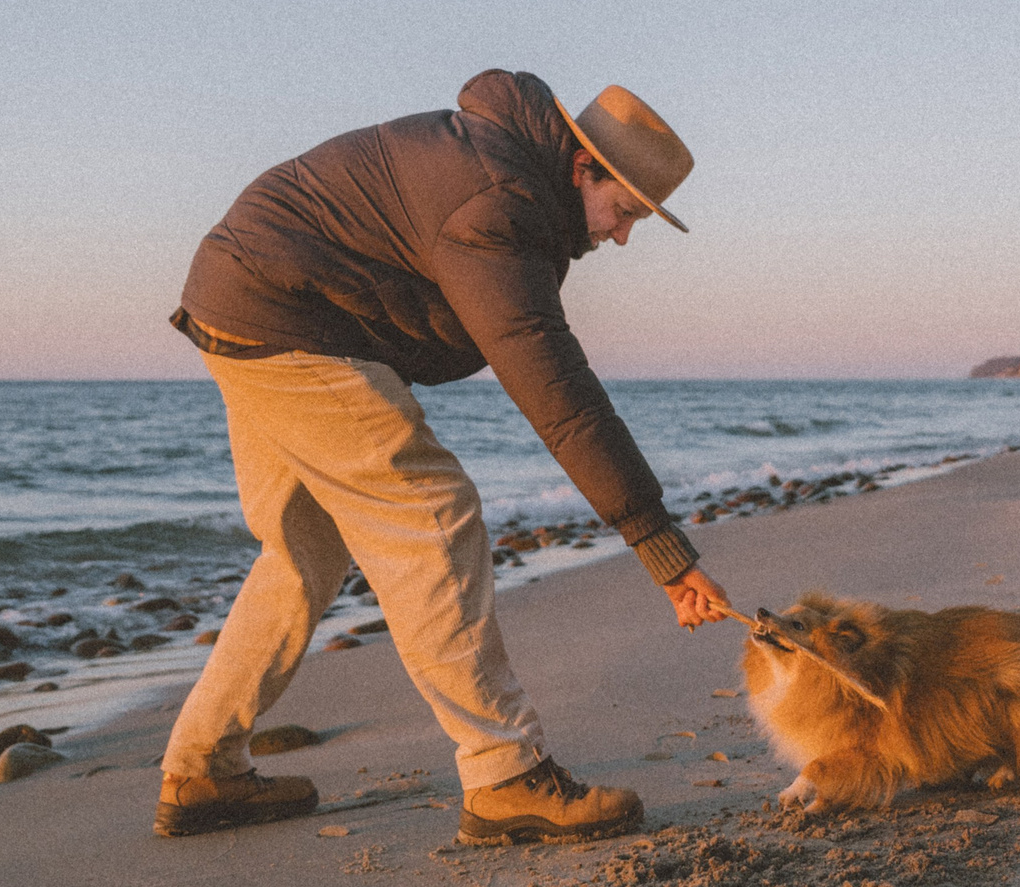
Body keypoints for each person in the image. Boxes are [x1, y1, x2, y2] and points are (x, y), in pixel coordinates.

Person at [156, 69, 736, 845]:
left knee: (306, 546)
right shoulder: (498, 201)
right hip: (284, 315)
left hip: (242, 298)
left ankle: (203, 769)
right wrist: (659, 544)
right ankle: (505, 772)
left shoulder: (502, 169)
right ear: (581, 166)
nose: (621, 235)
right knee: (434, 512)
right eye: (623, 210)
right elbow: (555, 388)